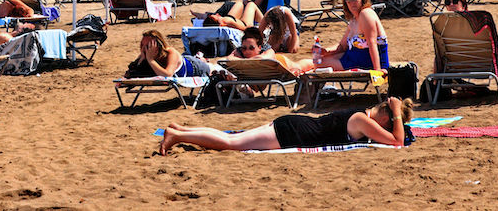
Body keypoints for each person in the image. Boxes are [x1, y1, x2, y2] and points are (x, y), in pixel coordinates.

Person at [158, 97, 413, 154]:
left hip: (293, 126)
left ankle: (180, 130)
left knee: (236, 139)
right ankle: (179, 137)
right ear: (386, 117)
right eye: (390, 124)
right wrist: (397, 114)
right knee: (232, 144)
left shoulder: (360, 117)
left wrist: (395, 112)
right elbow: (397, 142)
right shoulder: (362, 120)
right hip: (292, 133)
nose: (389, 129)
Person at [306, 0, 389, 73]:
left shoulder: (365, 14)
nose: (352, 3)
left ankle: (310, 85)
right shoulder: (354, 20)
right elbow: (342, 46)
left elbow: (372, 43)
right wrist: (326, 51)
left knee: (319, 64)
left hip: (367, 61)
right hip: (354, 58)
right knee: (319, 59)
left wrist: (377, 71)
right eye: (349, 0)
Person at [127, 29, 210, 78]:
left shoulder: (170, 52)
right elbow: (128, 74)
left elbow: (167, 75)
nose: (144, 48)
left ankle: (202, 59)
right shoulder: (145, 55)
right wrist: (141, 59)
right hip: (182, 62)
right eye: (142, 45)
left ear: (158, 45)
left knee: (209, 67)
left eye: (149, 45)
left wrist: (151, 60)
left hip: (195, 67)